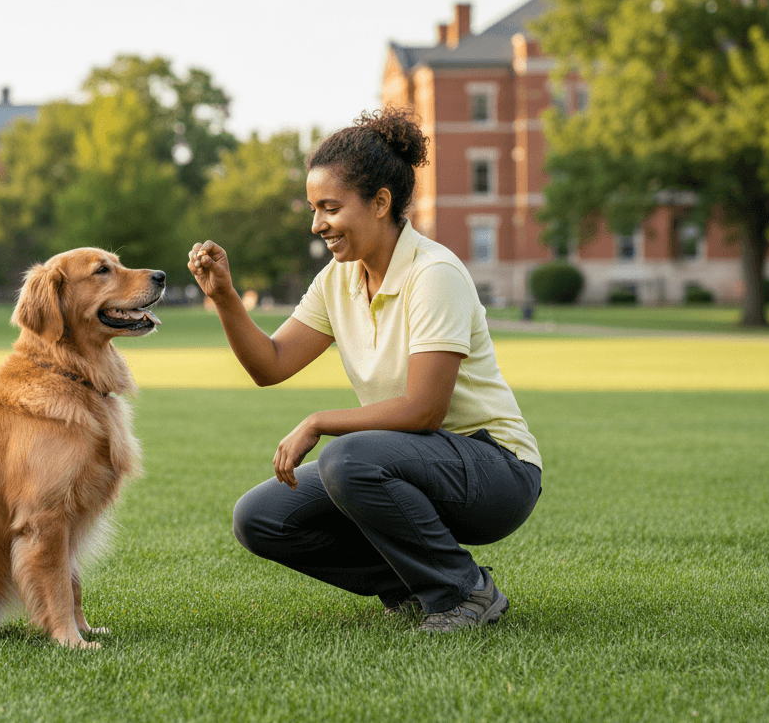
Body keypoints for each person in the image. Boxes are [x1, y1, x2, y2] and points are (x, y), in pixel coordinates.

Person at [187, 109, 542, 632]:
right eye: (313, 209)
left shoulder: (434, 274)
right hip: (411, 462)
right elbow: (271, 364)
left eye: (330, 208)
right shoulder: (339, 278)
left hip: (495, 470)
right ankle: (414, 585)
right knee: (261, 518)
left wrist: (318, 421)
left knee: (349, 457)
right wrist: (224, 297)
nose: (317, 225)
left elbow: (424, 410)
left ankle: (463, 591)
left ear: (380, 202)